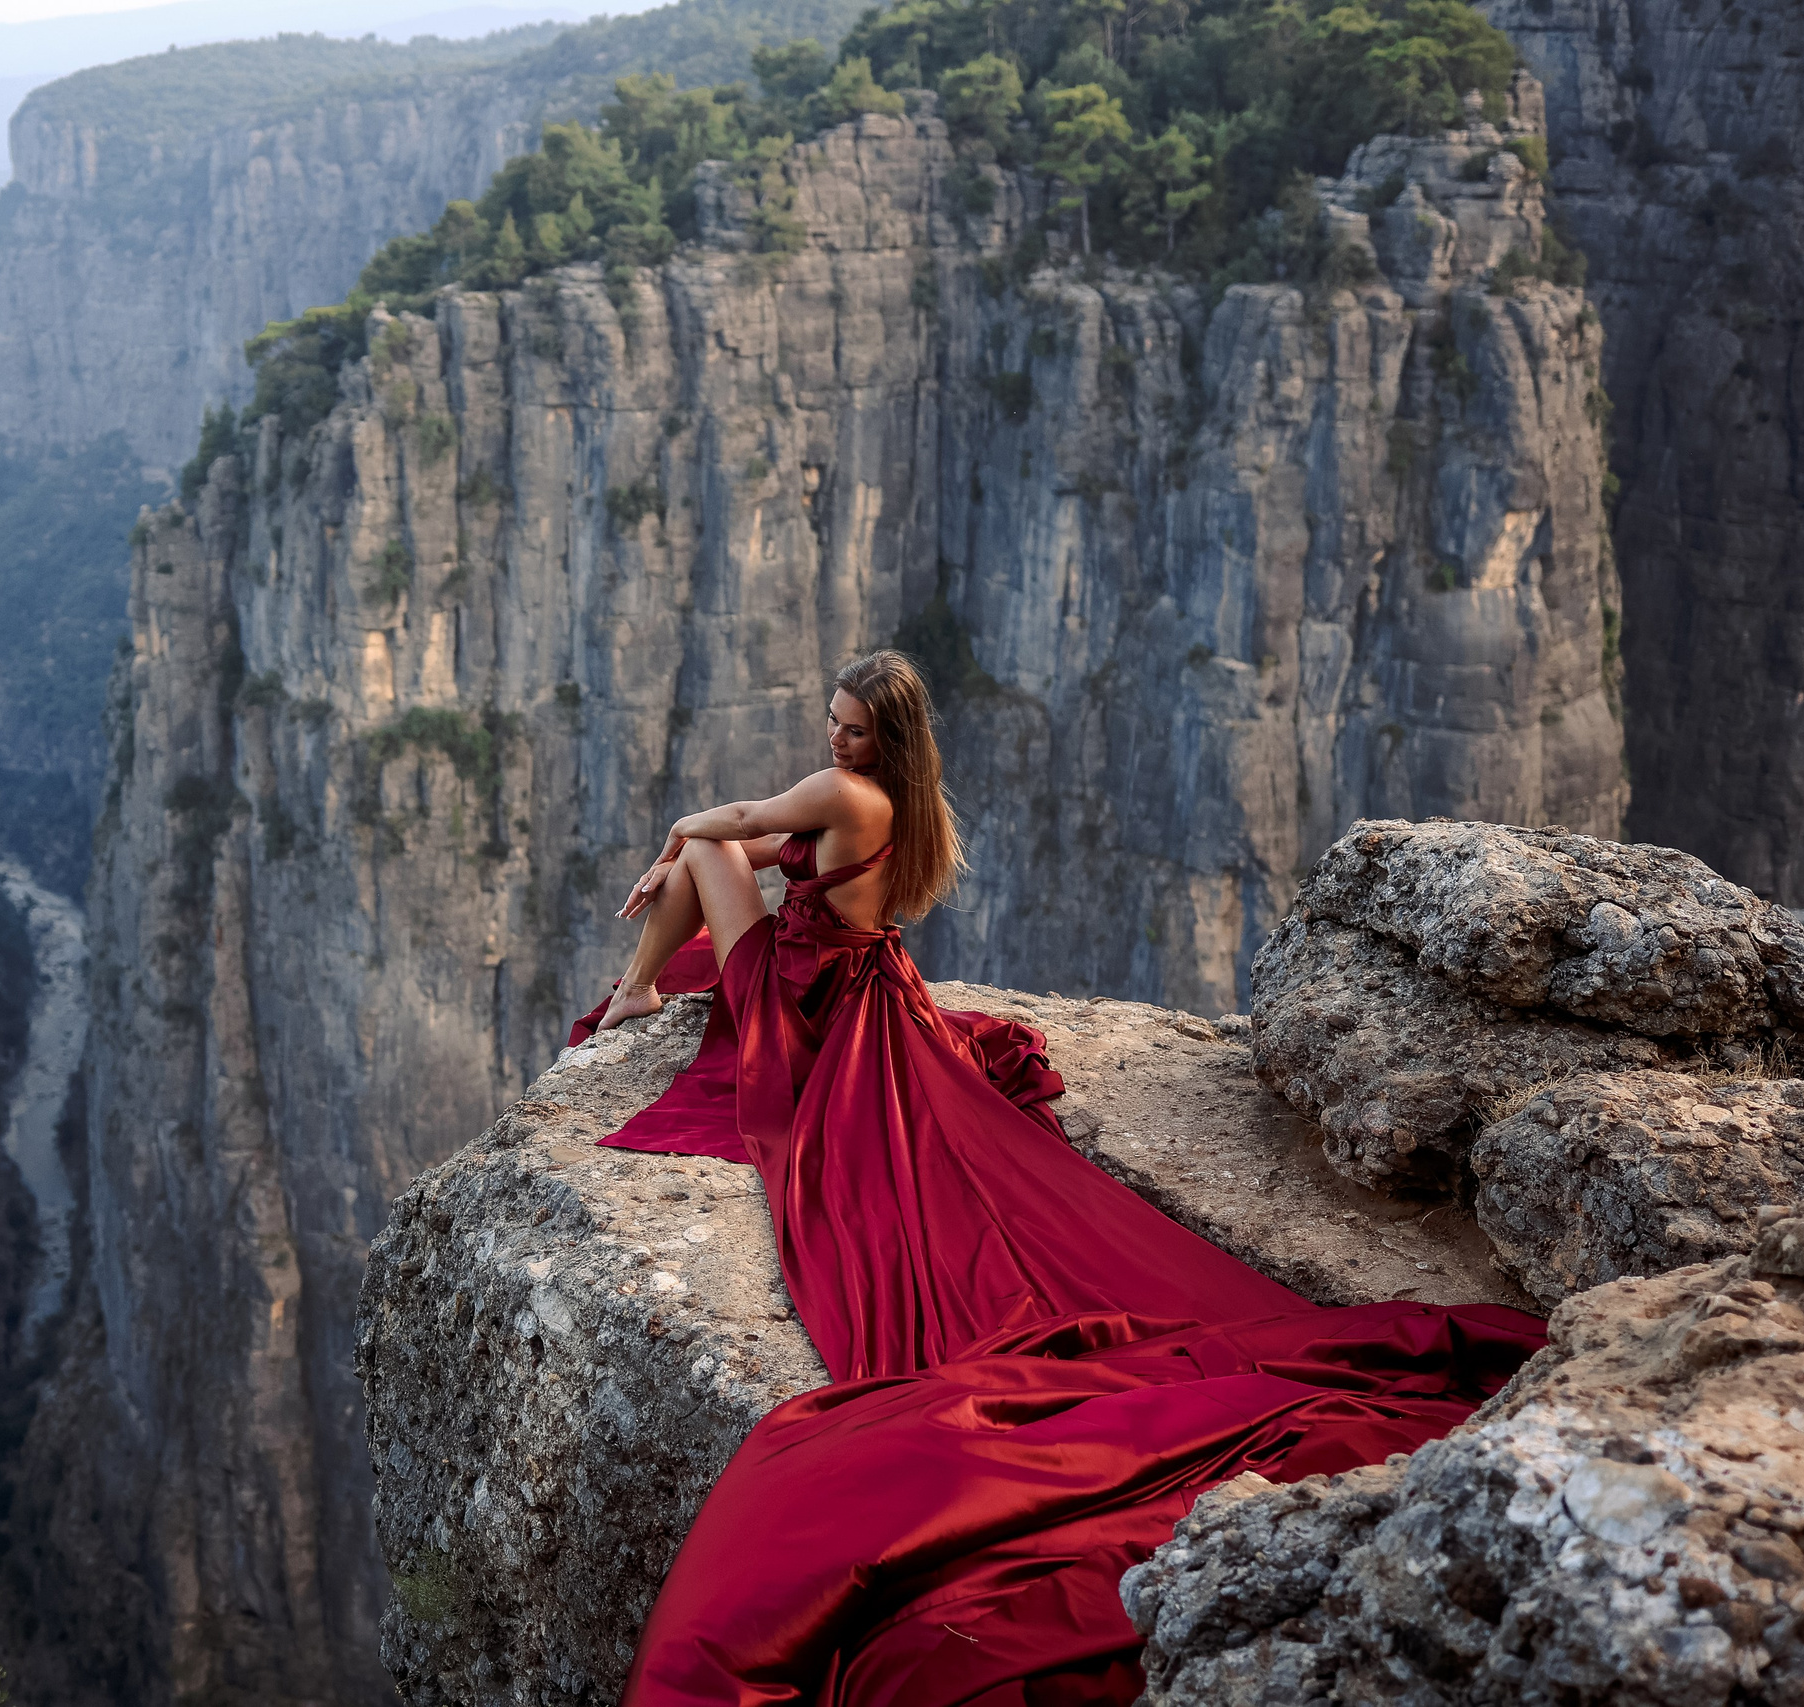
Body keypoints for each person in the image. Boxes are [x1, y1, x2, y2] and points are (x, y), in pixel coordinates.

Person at [572, 650, 1542, 1707]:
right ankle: (632, 988)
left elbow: (734, 822)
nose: (835, 739)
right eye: (830, 722)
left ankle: (627, 996)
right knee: (705, 855)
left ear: (881, 740)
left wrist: (679, 838)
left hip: (807, 1005)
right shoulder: (899, 798)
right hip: (859, 991)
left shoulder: (845, 791)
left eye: (851, 727)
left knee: (694, 855)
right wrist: (719, 841)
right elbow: (769, 835)